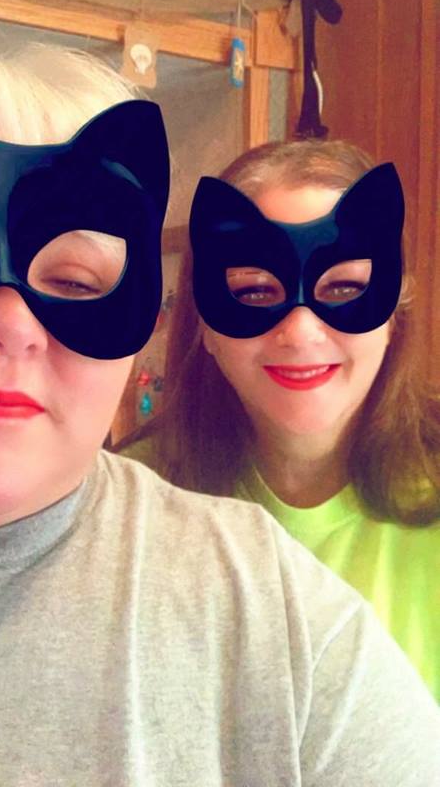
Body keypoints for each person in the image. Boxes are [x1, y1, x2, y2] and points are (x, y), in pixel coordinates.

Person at [0, 26, 439, 787]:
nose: (12, 324)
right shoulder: (169, 473)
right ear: (202, 324)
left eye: (76, 282)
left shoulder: (275, 607)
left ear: (398, 307)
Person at [120, 138, 440, 702]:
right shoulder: (129, 507)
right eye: (254, 292)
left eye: (343, 288)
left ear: (395, 312)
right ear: (205, 327)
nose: (300, 332)